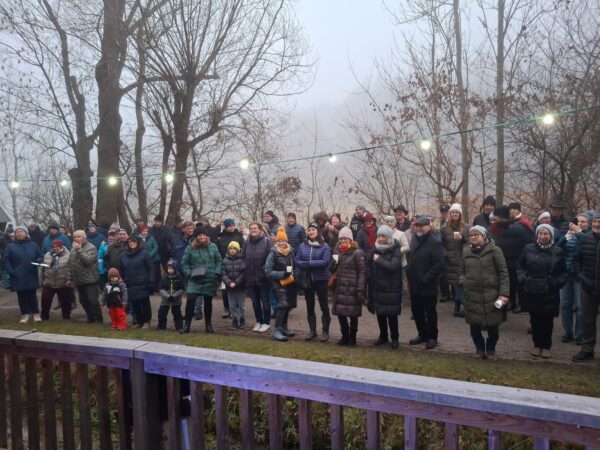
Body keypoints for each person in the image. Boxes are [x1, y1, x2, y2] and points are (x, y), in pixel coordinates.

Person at [516, 224, 567, 358]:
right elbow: (520, 265)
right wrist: (522, 278)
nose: (542, 236)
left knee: (547, 320)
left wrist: (556, 283)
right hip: (531, 290)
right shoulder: (528, 248)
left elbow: (563, 272)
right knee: (535, 320)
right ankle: (537, 344)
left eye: (546, 234)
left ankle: (546, 346)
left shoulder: (558, 251)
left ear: (551, 236)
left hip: (549, 291)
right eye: (540, 233)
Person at [460, 226, 510, 359]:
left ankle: (491, 349)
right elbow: (461, 271)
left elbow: (503, 273)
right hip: (472, 295)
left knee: (493, 327)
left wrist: (504, 293)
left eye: (476, 234)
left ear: (484, 236)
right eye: (471, 235)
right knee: (474, 326)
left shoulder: (495, 251)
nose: (473, 237)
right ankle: (479, 349)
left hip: (491, 295)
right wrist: (464, 281)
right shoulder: (466, 251)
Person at [406, 216, 446, 349]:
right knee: (417, 311)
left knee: (430, 312)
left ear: (429, 226)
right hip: (414, 282)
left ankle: (432, 337)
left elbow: (439, 264)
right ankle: (422, 334)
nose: (418, 228)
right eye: (416, 225)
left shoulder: (435, 241)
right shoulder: (414, 238)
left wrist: (426, 278)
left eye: (421, 226)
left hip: (428, 284)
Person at [488, 205, 533, 314]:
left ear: (501, 217)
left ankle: (519, 305)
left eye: (496, 218)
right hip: (509, 263)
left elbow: (528, 244)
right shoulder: (505, 229)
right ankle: (512, 304)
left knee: (515, 285)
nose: (494, 220)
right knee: (510, 286)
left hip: (516, 263)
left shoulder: (515, 229)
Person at [366, 225, 404, 349]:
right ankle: (383, 336)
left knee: (391, 316)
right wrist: (369, 276)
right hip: (377, 288)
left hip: (390, 289)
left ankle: (395, 338)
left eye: (383, 236)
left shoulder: (395, 250)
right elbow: (367, 264)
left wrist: (379, 260)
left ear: (389, 237)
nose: (381, 239)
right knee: (380, 314)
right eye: (379, 236)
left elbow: (393, 266)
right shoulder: (375, 249)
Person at [181, 227, 222, 333]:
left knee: (208, 302)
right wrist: (189, 274)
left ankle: (208, 325)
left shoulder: (213, 246)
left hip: (210, 278)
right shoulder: (190, 247)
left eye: (204, 235)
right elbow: (184, 263)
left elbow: (219, 260)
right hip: (195, 279)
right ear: (196, 236)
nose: (202, 237)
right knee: (190, 300)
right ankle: (186, 326)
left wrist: (216, 272)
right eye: (199, 235)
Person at [296, 222, 332, 342]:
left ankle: (325, 331)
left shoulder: (325, 246)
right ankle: (312, 331)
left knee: (323, 305)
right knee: (309, 305)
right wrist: (303, 264)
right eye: (309, 230)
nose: (311, 232)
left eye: (313, 230)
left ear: (318, 231)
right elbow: (297, 260)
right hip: (307, 278)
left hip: (321, 279)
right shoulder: (302, 245)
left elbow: (325, 261)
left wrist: (309, 264)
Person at [329, 226, 365, 346]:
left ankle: (352, 337)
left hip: (352, 288)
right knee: (340, 313)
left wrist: (360, 288)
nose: (343, 241)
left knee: (353, 314)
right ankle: (344, 335)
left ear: (350, 240)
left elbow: (362, 272)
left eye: (346, 238)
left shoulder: (357, 252)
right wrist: (334, 263)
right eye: (341, 238)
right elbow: (331, 269)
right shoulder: (337, 252)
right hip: (340, 287)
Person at [572, 211, 600, 362]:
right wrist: (581, 277)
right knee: (587, 319)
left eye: (599, 222)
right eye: (594, 222)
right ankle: (587, 349)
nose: (596, 224)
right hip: (588, 286)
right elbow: (577, 259)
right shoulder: (585, 238)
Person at [556, 215, 588, 345]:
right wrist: (565, 238)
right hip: (566, 275)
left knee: (580, 307)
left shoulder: (589, 236)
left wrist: (579, 234)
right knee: (565, 305)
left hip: (580, 276)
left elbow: (586, 247)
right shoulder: (570, 234)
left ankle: (579, 335)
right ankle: (568, 332)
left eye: (583, 222)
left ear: (588, 224)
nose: (579, 223)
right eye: (577, 221)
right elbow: (558, 248)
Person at [3, 226, 43, 323]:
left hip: (31, 273)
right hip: (17, 275)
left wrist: (38, 261)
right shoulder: (11, 246)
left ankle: (35, 313)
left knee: (32, 295)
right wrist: (11, 271)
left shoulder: (33, 244)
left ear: (26, 233)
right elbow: (6, 260)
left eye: (21, 231)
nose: (19, 233)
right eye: (17, 232)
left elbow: (40, 256)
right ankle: (25, 314)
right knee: (21, 296)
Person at [264, 227, 298, 341]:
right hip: (278, 283)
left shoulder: (290, 251)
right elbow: (268, 271)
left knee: (288, 306)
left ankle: (284, 327)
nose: (282, 243)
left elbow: (295, 266)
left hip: (290, 283)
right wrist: (282, 274)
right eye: (279, 241)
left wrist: (295, 275)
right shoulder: (273, 253)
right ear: (276, 242)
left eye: (283, 241)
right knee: (282, 305)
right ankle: (276, 331)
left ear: (286, 241)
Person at [440, 203, 470, 317]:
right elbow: (440, 245)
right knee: (457, 284)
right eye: (452, 212)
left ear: (460, 214)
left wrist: (463, 238)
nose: (454, 214)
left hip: (464, 260)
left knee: (461, 284)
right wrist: (446, 255)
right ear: (450, 214)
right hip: (451, 261)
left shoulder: (466, 227)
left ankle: (457, 309)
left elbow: (471, 242)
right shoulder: (444, 228)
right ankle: (466, 307)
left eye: (457, 212)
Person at [242, 223, 273, 333]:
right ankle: (259, 321)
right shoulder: (247, 242)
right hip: (250, 277)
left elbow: (271, 258)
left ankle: (266, 322)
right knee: (255, 302)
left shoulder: (267, 241)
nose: (253, 230)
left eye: (255, 228)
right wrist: (244, 269)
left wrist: (265, 270)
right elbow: (243, 257)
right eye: (251, 228)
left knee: (265, 301)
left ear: (260, 230)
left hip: (263, 277)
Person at [69, 230, 103, 323]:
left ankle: (98, 318)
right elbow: (71, 264)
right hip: (78, 279)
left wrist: (79, 250)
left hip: (90, 278)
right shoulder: (73, 249)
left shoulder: (91, 247)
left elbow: (87, 261)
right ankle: (90, 316)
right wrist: (70, 278)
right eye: (75, 237)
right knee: (83, 300)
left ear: (84, 237)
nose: (76, 238)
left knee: (92, 300)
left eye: (79, 236)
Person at [121, 235, 155, 328]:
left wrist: (151, 281)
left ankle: (147, 322)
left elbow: (151, 268)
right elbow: (122, 269)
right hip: (130, 283)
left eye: (134, 241)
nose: (131, 243)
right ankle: (139, 322)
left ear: (138, 243)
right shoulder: (124, 255)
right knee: (135, 303)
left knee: (144, 303)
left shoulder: (145, 254)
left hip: (143, 282)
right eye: (130, 242)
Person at [39, 240, 74, 320]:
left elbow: (71, 268)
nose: (55, 248)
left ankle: (66, 317)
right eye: (53, 246)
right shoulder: (47, 255)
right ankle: (44, 316)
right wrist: (41, 280)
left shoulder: (68, 255)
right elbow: (42, 268)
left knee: (65, 301)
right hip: (49, 282)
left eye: (57, 246)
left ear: (61, 246)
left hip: (63, 282)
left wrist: (70, 279)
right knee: (45, 300)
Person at [217, 218, 245, 320]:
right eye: (229, 226)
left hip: (237, 265)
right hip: (225, 264)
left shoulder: (239, 236)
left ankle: (237, 310)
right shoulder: (221, 237)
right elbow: (218, 251)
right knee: (225, 290)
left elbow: (244, 250)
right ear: (225, 227)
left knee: (237, 289)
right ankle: (226, 308)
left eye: (233, 225)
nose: (231, 227)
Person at [222, 241, 246, 330]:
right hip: (230, 287)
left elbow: (243, 273)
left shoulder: (242, 260)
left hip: (240, 286)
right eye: (231, 248)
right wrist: (229, 282)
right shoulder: (225, 260)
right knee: (232, 305)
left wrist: (236, 282)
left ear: (238, 250)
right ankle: (234, 319)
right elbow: (223, 273)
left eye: (234, 249)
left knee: (241, 305)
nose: (232, 250)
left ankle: (242, 319)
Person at [157, 261, 184, 332]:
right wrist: (167, 296)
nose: (170, 270)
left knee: (177, 314)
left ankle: (179, 327)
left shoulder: (179, 278)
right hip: (165, 300)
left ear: (175, 269)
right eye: (169, 268)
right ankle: (161, 327)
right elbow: (161, 289)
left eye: (172, 268)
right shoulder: (164, 278)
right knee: (162, 313)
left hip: (176, 300)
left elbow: (181, 289)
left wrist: (174, 296)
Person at [139, 225, 161, 290]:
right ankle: (150, 288)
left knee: (156, 273)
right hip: (144, 259)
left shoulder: (151, 237)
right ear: (141, 232)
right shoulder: (138, 239)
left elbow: (156, 247)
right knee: (148, 273)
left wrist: (150, 255)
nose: (145, 232)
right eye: (144, 231)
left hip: (154, 259)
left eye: (146, 231)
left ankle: (158, 287)